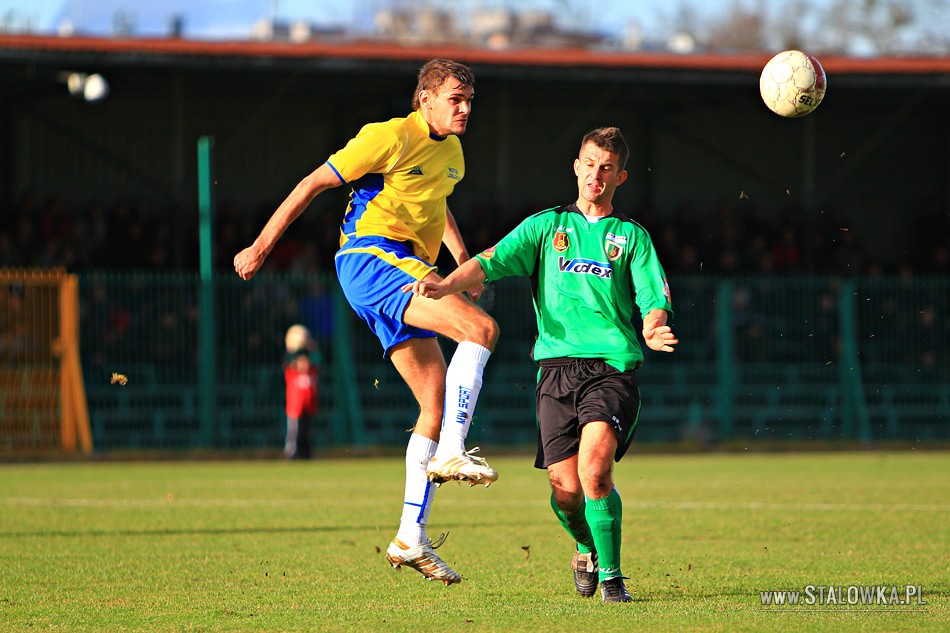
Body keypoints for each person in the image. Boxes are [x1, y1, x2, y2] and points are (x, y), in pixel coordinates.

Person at [234, 59, 499, 586]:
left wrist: (464, 262)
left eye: (469, 100)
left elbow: (437, 204)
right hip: (372, 256)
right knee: (481, 330)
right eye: (455, 99)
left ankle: (409, 535)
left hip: (403, 265)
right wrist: (261, 246)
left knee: (435, 402)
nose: (465, 109)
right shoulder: (387, 136)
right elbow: (313, 183)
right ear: (424, 98)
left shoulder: (452, 152)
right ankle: (451, 450)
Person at [403, 127, 678, 602]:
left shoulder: (631, 236)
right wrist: (445, 286)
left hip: (611, 369)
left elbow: (653, 295)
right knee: (565, 489)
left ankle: (612, 578)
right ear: (576, 166)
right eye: (590, 164)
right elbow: (489, 261)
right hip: (554, 372)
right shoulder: (546, 227)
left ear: (621, 176)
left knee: (595, 472)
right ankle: (584, 547)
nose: (596, 174)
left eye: (607, 167)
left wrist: (653, 325)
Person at [283, 349, 318, 460]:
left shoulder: (312, 372)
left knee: (306, 433)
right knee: (294, 433)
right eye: (301, 361)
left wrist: (312, 346)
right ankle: (292, 454)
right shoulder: (292, 373)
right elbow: (286, 362)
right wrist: (291, 349)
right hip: (295, 410)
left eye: (306, 361)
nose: (304, 364)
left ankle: (305, 454)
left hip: (308, 409)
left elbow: (319, 360)